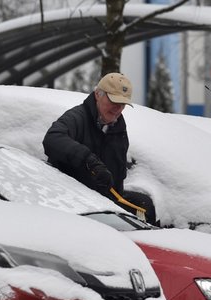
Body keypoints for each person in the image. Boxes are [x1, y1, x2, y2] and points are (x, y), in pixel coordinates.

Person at [43, 72, 156, 223]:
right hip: (71, 207)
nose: (117, 109)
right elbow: (52, 139)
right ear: (98, 94)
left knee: (144, 205)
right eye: (114, 101)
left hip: (103, 209)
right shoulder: (76, 117)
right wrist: (89, 161)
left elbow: (116, 180)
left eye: (122, 104)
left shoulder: (119, 129)